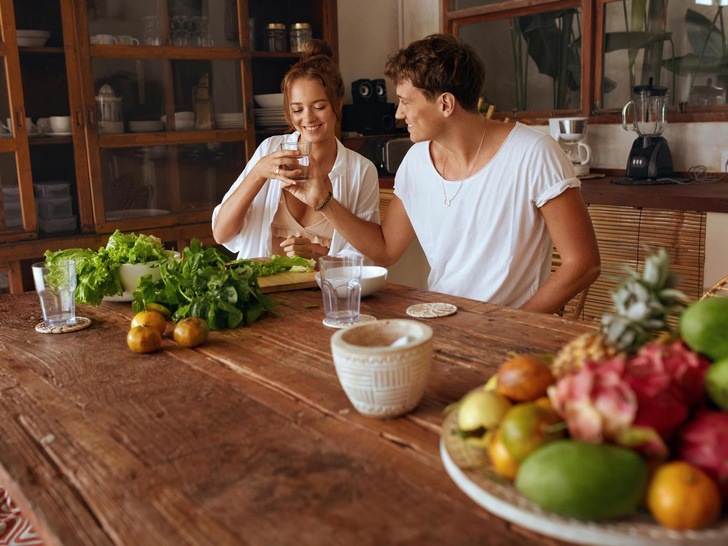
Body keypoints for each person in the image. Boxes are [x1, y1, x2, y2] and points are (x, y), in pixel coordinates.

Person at [283, 34, 600, 314]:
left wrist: (512, 326)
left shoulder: (533, 153)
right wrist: (323, 200)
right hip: (439, 319)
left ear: (446, 104)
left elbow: (583, 264)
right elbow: (385, 249)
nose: (398, 113)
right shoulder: (416, 161)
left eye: (406, 101)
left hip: (510, 339)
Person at [212, 40, 380, 261]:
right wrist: (257, 173)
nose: (308, 118)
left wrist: (317, 255)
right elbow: (221, 234)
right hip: (262, 286)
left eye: (319, 107)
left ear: (337, 104)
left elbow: (370, 254)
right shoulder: (270, 150)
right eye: (297, 109)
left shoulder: (361, 171)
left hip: (323, 292)